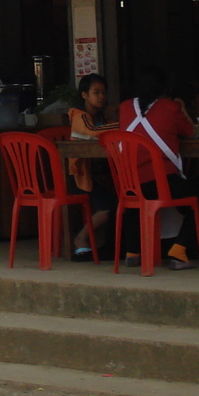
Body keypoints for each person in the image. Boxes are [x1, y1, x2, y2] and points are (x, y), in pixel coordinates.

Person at [115, 66, 199, 270]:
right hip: (161, 181)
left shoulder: (125, 107)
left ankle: (133, 251)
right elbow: (189, 131)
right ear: (163, 88)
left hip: (130, 184)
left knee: (134, 203)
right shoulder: (170, 108)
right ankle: (179, 251)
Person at [66, 73, 117, 260]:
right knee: (108, 206)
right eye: (96, 92)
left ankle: (110, 244)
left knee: (120, 199)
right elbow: (93, 132)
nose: (101, 96)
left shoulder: (103, 118)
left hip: (101, 174)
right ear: (84, 95)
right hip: (81, 176)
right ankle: (80, 238)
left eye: (104, 92)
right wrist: (124, 124)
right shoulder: (79, 116)